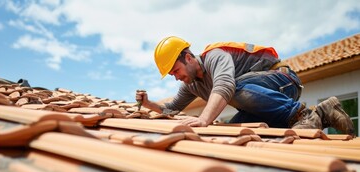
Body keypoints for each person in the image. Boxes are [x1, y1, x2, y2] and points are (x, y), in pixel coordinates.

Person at [135, 36, 355, 136]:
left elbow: (224, 85)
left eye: (175, 71)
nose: (176, 77)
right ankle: (326, 111)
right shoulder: (191, 84)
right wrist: (147, 103)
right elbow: (171, 108)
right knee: (236, 130)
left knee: (232, 86)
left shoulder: (214, 57)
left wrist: (203, 119)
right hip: (262, 99)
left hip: (284, 83)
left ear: (189, 58)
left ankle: (305, 116)